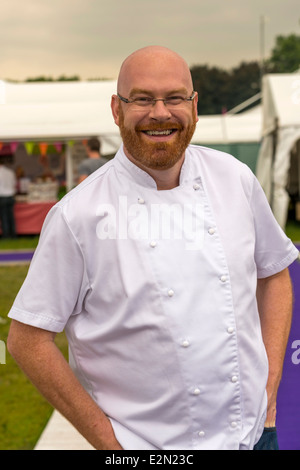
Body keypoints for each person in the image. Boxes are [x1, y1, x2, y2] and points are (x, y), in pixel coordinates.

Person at [7, 46, 299, 451]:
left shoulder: (235, 179)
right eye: (142, 99)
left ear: (195, 107)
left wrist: (270, 389)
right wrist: (112, 445)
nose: (160, 113)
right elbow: (27, 339)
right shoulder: (77, 216)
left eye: (175, 98)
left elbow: (274, 272)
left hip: (253, 436)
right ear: (116, 109)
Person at [0, 161, 16, 238]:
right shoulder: (10, 172)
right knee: (11, 217)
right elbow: (14, 184)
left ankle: (6, 235)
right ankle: (13, 234)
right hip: (10, 196)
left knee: (4, 217)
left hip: (2, 196)